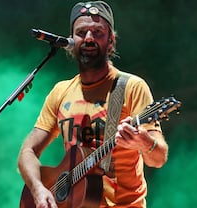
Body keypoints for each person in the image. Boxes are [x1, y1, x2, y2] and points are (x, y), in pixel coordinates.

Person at [17, 1, 169, 207]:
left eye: (97, 32)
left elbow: (158, 158)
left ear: (111, 41)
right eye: (81, 32)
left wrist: (144, 143)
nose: (89, 38)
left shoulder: (131, 87)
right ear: (71, 41)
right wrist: (38, 188)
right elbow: (28, 151)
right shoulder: (61, 92)